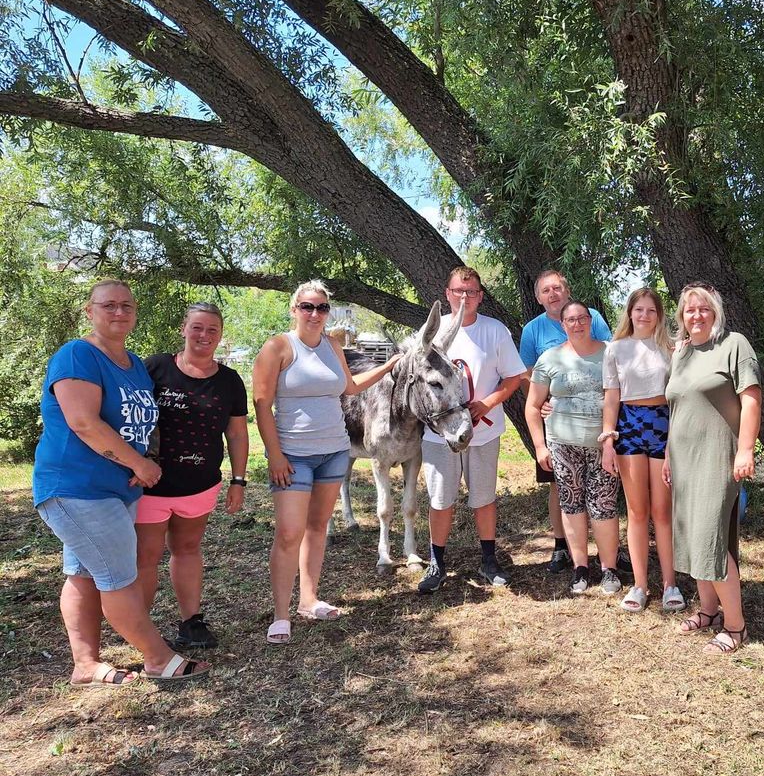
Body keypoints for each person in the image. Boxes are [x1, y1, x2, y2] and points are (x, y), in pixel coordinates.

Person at [32, 279, 207, 684]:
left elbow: (140, 424)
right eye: (108, 305)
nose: (119, 312)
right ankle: (158, 659)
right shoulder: (78, 355)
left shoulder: (132, 365)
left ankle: (85, 665)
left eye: (127, 305)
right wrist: (140, 464)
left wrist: (144, 459)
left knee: (83, 573)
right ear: (88, 311)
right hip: (77, 485)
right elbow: (82, 422)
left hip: (114, 487)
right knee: (117, 574)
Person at [253, 280, 402, 644]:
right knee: (289, 533)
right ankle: (281, 614)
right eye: (307, 307)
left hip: (334, 451)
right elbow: (260, 404)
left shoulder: (332, 345)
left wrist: (389, 365)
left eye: (321, 307)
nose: (315, 314)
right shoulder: (278, 347)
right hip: (293, 455)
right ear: (294, 309)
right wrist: (274, 454)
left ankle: (308, 600)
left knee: (317, 528)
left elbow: (349, 388)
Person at [134, 303, 249, 649]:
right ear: (184, 328)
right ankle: (141, 629)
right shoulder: (153, 368)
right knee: (146, 557)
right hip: (150, 486)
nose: (204, 336)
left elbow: (238, 434)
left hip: (199, 486)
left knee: (187, 549)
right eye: (197, 327)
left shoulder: (230, 381)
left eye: (212, 330)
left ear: (220, 335)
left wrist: (238, 480)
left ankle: (191, 622)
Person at [665, 283, 761, 655]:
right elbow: (677, 407)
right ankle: (708, 610)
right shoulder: (682, 353)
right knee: (690, 537)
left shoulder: (734, 345)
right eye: (690, 310)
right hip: (684, 460)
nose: (697, 315)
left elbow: (751, 399)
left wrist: (746, 449)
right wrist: (670, 455)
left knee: (711, 538)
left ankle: (735, 627)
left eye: (704, 309)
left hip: (718, 456)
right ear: (682, 317)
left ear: (716, 313)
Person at [417, 267, 527, 594]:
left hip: (483, 432)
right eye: (458, 291)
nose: (464, 298)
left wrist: (488, 403)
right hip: (440, 435)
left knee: (484, 497)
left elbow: (513, 378)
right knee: (440, 499)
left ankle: (489, 559)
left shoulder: (495, 331)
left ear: (480, 295)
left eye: (472, 292)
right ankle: (436, 562)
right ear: (447, 293)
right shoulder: (431, 334)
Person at [519, 270, 615, 573]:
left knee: (604, 494)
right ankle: (563, 548)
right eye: (546, 290)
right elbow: (527, 373)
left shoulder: (593, 317)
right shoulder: (533, 330)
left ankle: (608, 555)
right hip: (557, 427)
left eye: (557, 288)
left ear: (567, 290)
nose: (553, 294)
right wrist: (542, 401)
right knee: (560, 489)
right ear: (538, 297)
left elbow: (611, 362)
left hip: (598, 427)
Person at [599, 288, 684, 613]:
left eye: (651, 310)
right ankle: (639, 585)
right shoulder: (615, 349)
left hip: (663, 424)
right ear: (630, 313)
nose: (644, 316)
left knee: (662, 511)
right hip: (629, 425)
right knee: (636, 511)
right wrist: (608, 440)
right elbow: (611, 397)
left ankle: (670, 584)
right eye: (639, 310)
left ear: (659, 315)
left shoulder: (672, 348)